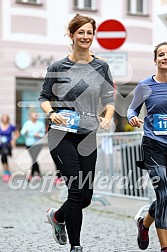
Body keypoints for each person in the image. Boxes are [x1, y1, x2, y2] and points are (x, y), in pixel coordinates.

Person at [38, 14, 115, 252]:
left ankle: (58, 216)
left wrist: (108, 117)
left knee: (86, 197)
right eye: (80, 32)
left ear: (93, 36)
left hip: (88, 136)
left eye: (89, 32)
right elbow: (43, 97)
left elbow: (109, 99)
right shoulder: (58, 66)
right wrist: (51, 113)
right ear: (71, 36)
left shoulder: (101, 66)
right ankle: (76, 246)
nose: (85, 37)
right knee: (75, 188)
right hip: (61, 134)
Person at [127, 41, 167, 252]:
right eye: (161, 54)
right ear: (155, 60)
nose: (165, 57)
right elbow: (131, 110)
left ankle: (144, 225)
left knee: (165, 196)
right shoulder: (145, 86)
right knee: (165, 192)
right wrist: (133, 118)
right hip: (154, 146)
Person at [20, 110, 46, 180]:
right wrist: (26, 131)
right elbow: (22, 132)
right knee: (34, 158)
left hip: (38, 143)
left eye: (35, 116)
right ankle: (38, 172)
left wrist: (39, 135)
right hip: (29, 143)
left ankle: (31, 174)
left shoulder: (41, 124)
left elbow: (43, 134)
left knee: (34, 158)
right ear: (30, 117)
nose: (34, 117)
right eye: (33, 116)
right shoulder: (27, 123)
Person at [0, 114, 19, 182]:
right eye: (3, 119)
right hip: (1, 144)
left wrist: (13, 140)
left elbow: (17, 133)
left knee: (4, 156)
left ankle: (7, 172)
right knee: (3, 157)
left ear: (8, 119)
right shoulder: (0, 126)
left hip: (8, 144)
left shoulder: (11, 126)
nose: (5, 120)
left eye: (6, 119)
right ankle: (6, 172)